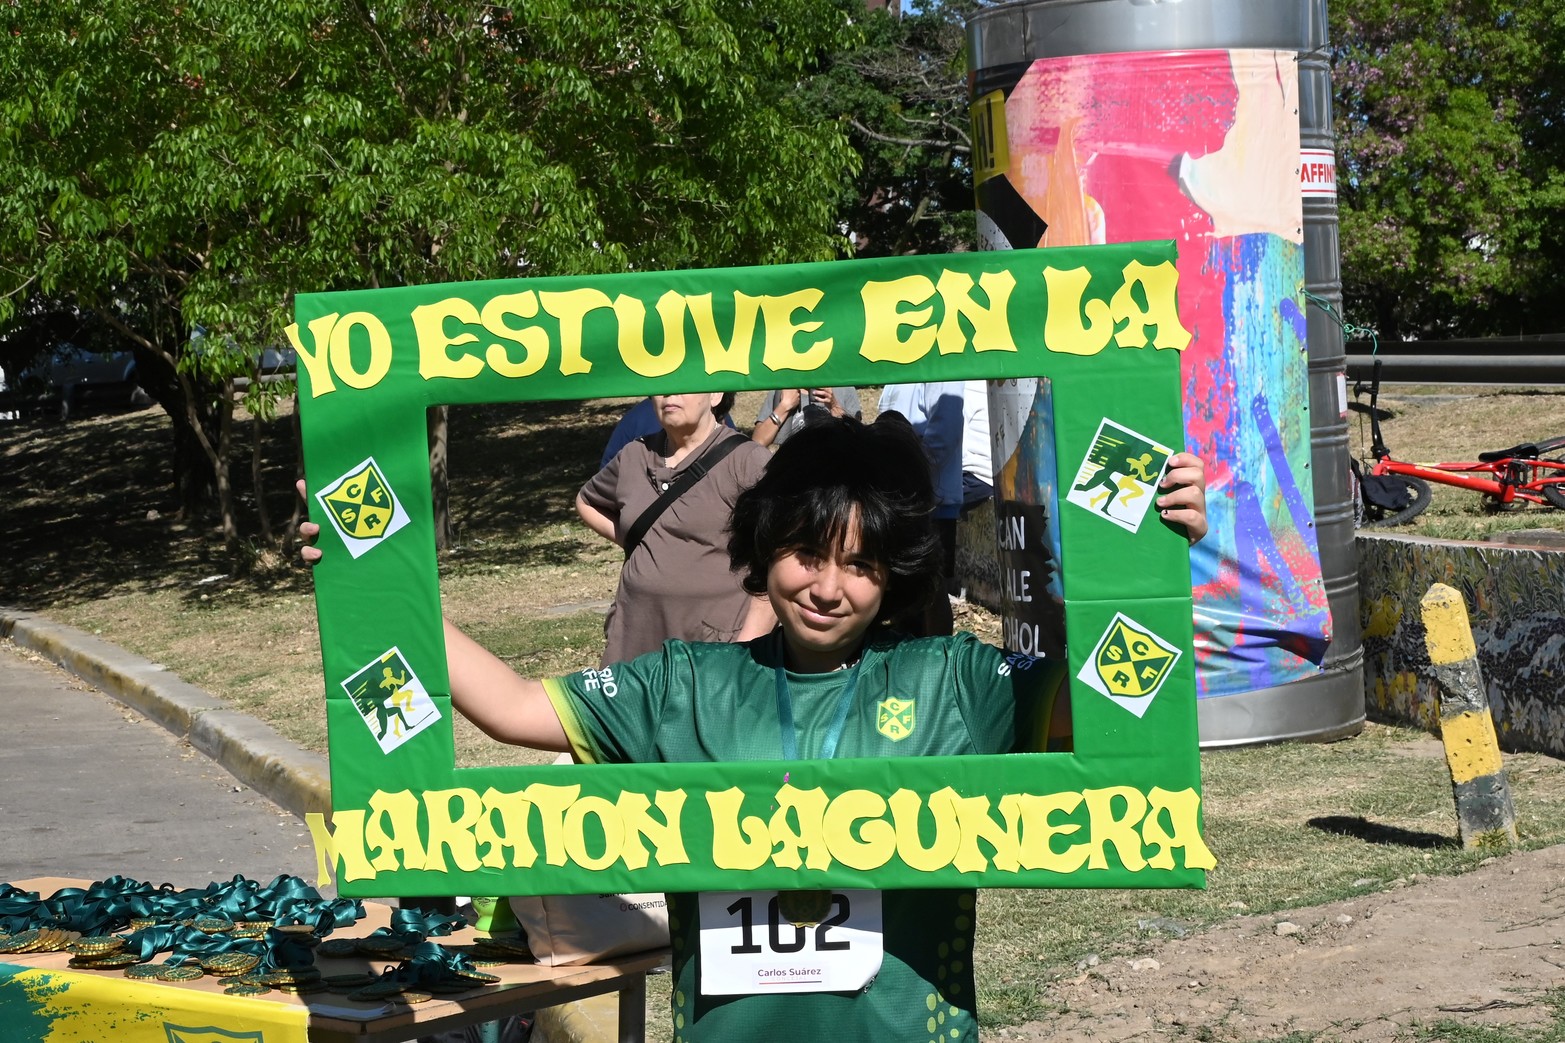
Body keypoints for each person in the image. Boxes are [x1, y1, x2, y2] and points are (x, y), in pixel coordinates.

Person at [300, 415, 1208, 1041]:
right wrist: (366, 584)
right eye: (806, 554)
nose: (827, 586)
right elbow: (504, 705)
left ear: (893, 574)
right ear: (763, 548)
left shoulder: (957, 681)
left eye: (858, 564)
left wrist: (1158, 557)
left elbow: (1120, 703)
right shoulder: (686, 685)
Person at [576, 392, 776, 664]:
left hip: (713, 652)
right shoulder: (635, 455)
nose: (670, 392)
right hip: (635, 644)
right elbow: (587, 501)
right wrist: (647, 544)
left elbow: (781, 558)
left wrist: (744, 652)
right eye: (663, 383)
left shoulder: (748, 461)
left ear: (716, 395)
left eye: (687, 382)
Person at [877, 381, 965, 633]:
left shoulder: (942, 369)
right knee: (902, 590)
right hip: (898, 499)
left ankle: (934, 659)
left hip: (929, 500)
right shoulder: (896, 372)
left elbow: (945, 433)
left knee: (930, 591)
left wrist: (910, 473)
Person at [750, 387, 861, 448]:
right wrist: (784, 407)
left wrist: (834, 406)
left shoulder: (844, 387)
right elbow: (757, 442)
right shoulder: (782, 389)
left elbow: (857, 442)